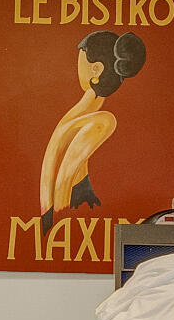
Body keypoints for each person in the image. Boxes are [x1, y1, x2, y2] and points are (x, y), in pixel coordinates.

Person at [39, 30, 146, 229]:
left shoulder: (102, 121)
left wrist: (53, 226)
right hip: (65, 219)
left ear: (96, 69)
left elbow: (64, 182)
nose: (76, 68)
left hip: (72, 219)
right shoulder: (81, 115)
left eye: (80, 62)